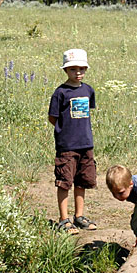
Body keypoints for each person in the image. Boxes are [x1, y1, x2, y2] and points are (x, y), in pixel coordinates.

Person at [48, 48, 97, 234]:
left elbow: (87, 114)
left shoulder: (88, 90)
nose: (78, 72)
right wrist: (65, 131)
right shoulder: (60, 93)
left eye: (81, 69)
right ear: (65, 70)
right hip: (67, 145)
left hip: (86, 144)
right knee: (64, 181)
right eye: (73, 69)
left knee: (82, 181)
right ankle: (63, 219)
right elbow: (52, 117)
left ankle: (79, 216)